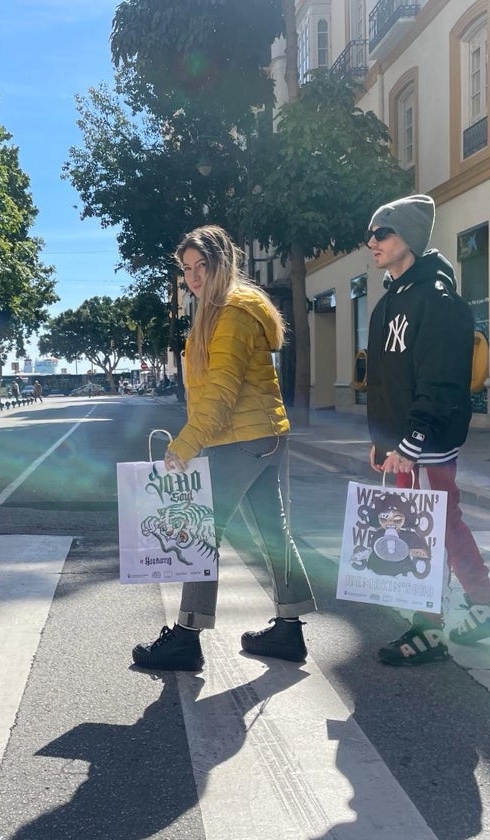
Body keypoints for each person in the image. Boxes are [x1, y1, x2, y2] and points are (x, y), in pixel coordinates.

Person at [131, 225, 316, 671]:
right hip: (264, 435)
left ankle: (186, 637)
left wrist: (185, 445)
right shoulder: (224, 309)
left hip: (239, 438)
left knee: (200, 533)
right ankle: (289, 628)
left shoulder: (231, 312)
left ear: (222, 263)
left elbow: (221, 390)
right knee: (274, 531)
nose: (193, 276)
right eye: (187, 269)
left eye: (202, 266)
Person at [363, 194, 490, 666]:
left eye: (382, 233)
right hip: (403, 444)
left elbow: (442, 381)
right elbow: (389, 381)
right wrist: (382, 439)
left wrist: (410, 442)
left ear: (408, 237)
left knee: (424, 531)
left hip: (423, 446)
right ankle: (484, 608)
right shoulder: (390, 301)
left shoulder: (439, 301)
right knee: (441, 526)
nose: (372, 241)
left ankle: (429, 628)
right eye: (370, 234)